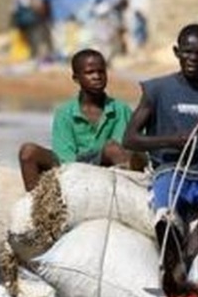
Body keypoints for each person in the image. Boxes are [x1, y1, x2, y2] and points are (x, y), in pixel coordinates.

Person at [122, 24, 198, 279]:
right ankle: (170, 251)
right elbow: (130, 139)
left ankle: (184, 263)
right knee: (165, 215)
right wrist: (170, 141)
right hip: (172, 169)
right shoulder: (156, 90)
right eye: (187, 52)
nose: (193, 58)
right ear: (176, 52)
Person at [18, 48, 136, 192]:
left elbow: (125, 151)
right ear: (76, 78)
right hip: (72, 164)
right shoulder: (65, 112)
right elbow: (65, 157)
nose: (96, 76)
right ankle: (36, 206)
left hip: (108, 165)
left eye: (101, 72)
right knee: (28, 152)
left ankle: (126, 198)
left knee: (113, 149)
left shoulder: (121, 109)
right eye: (89, 72)